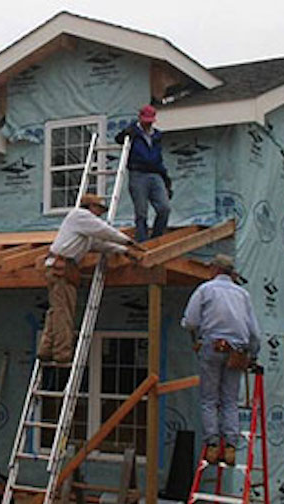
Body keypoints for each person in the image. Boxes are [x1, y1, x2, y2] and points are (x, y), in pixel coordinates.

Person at [38, 194, 143, 364]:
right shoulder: (80, 215)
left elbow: (98, 244)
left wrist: (123, 250)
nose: (100, 214)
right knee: (63, 311)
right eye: (99, 209)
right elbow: (104, 231)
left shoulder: (84, 228)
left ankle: (46, 348)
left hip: (64, 268)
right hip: (60, 268)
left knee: (57, 310)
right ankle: (62, 353)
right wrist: (128, 242)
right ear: (90, 206)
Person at [181, 255, 261, 465]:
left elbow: (190, 321)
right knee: (230, 400)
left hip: (213, 346)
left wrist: (192, 329)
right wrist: (252, 355)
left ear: (215, 270)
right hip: (237, 350)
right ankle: (231, 448)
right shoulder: (243, 294)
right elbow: (254, 333)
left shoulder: (206, 289)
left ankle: (213, 446)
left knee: (209, 399)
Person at [115, 104, 172, 242]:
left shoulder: (156, 135)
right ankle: (143, 240)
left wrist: (166, 180)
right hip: (138, 173)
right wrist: (127, 132)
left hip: (156, 173)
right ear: (140, 118)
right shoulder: (133, 133)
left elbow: (159, 159)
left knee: (164, 208)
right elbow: (119, 139)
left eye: (150, 121)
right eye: (145, 121)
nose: (148, 124)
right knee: (141, 212)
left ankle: (157, 238)